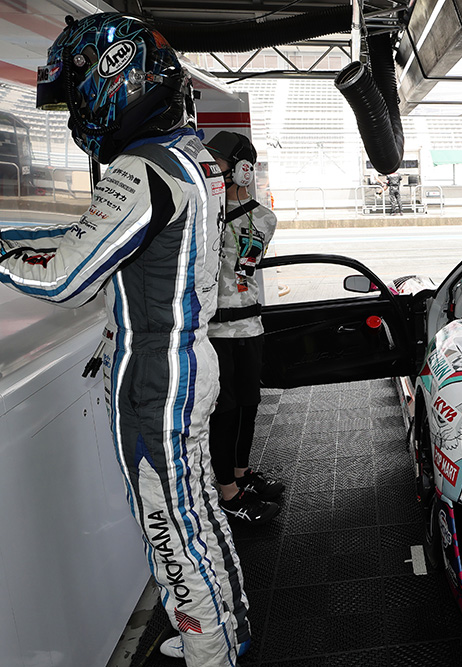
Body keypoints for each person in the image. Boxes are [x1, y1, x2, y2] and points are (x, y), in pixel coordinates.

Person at [2, 13, 248, 667]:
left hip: (152, 376)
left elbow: (64, 276)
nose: (75, 111)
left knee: (170, 527)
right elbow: (93, 241)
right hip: (183, 360)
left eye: (75, 93)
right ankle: (227, 628)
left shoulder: (141, 168)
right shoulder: (189, 154)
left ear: (111, 79)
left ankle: (210, 651)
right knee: (197, 510)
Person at [203, 130, 283, 526]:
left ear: (242, 169)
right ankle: (228, 493)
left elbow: (245, 266)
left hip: (250, 327)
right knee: (226, 412)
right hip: (215, 334)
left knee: (248, 407)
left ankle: (240, 473)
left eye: (217, 161)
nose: (210, 167)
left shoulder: (265, 218)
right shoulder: (204, 216)